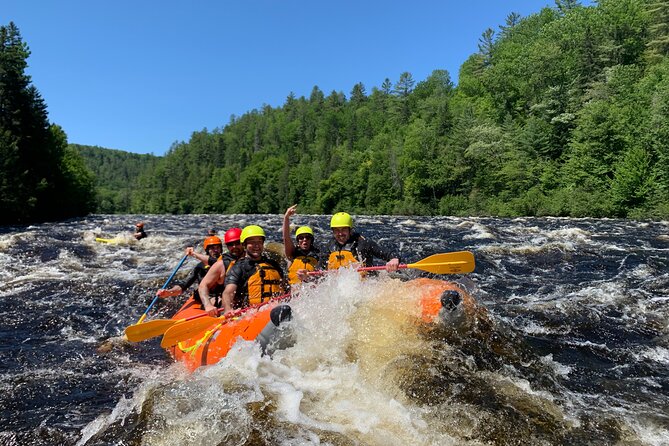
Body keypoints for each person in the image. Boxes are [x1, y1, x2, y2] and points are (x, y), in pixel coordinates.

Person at [207, 225, 287, 317]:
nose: (256, 246)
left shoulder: (274, 265)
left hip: (275, 311)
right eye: (252, 243)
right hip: (251, 314)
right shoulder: (239, 267)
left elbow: (286, 287)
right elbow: (228, 292)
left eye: (259, 242)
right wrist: (228, 309)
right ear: (244, 245)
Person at [297, 212, 399, 281]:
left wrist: (394, 259)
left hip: (366, 286)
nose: (340, 233)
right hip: (339, 288)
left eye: (343, 230)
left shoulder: (363, 244)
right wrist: (308, 275)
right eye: (336, 230)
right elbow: (320, 271)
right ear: (333, 231)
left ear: (350, 230)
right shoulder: (329, 248)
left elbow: (387, 253)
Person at [157, 235, 222, 303]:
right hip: (209, 296)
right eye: (212, 248)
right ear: (207, 250)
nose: (216, 250)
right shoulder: (199, 267)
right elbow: (183, 285)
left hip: (222, 294)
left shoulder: (226, 260)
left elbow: (215, 261)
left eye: (218, 247)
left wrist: (193, 253)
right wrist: (169, 292)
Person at [197, 227, 246, 312]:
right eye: (231, 244)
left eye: (237, 243)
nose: (234, 247)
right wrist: (208, 305)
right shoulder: (221, 264)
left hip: (251, 304)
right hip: (229, 307)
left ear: (243, 243)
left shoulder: (253, 259)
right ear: (227, 246)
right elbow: (203, 286)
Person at [282, 204, 321, 284]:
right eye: (301, 238)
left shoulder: (318, 254)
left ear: (311, 240)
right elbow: (286, 238)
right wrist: (286, 217)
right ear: (297, 240)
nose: (304, 240)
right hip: (294, 289)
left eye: (307, 237)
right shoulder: (292, 253)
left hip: (311, 289)